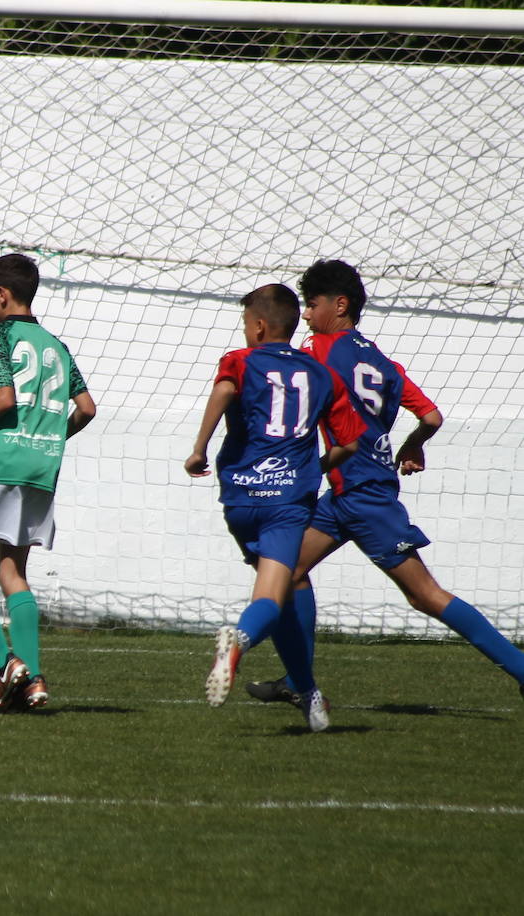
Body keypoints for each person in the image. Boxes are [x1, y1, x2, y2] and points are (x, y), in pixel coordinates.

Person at [245, 259, 524, 706]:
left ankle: (522, 669)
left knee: (425, 595)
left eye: (312, 305)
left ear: (340, 305)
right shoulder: (383, 362)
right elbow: (431, 416)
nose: (308, 315)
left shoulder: (319, 348)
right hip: (347, 492)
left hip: (364, 495)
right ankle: (300, 682)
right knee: (287, 569)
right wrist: (413, 445)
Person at [184, 283, 365, 732]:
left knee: (290, 586)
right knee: (271, 592)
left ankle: (307, 693)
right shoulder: (321, 373)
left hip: (241, 497)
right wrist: (316, 467)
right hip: (288, 500)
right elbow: (350, 442)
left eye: (247, 324)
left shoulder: (241, 360)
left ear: (259, 326)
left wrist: (199, 448)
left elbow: (225, 390)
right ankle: (239, 642)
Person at [0, 253, 97, 712]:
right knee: (13, 571)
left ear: (2, 294)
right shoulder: (56, 345)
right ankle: (32, 678)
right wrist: (49, 437)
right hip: (41, 466)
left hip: (0, 463)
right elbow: (86, 408)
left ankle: (5, 662)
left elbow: (4, 397)